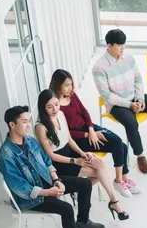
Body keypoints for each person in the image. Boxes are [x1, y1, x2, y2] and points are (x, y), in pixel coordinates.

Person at [0, 105, 98, 228]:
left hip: (47, 182)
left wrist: (56, 180)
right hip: (31, 197)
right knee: (66, 208)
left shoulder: (29, 140)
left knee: (85, 184)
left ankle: (82, 222)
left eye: (29, 121)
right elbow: (21, 189)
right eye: (24, 122)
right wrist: (49, 192)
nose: (29, 125)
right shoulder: (5, 156)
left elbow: (46, 161)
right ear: (12, 125)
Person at [35, 89, 129, 221]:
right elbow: (50, 155)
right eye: (50, 107)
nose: (55, 109)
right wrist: (75, 161)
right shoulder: (40, 127)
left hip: (70, 153)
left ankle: (112, 201)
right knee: (97, 174)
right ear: (43, 107)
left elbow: (69, 139)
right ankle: (112, 202)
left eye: (56, 104)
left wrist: (82, 153)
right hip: (59, 163)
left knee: (100, 164)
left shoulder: (61, 114)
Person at [50, 69, 140, 197]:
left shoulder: (72, 95)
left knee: (122, 146)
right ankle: (118, 181)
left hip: (88, 129)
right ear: (57, 84)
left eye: (71, 84)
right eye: (66, 85)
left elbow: (85, 112)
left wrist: (91, 129)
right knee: (116, 143)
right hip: (78, 139)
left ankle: (124, 179)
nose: (70, 88)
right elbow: (65, 132)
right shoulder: (56, 105)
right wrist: (87, 135)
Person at [93, 29, 147, 174]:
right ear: (109, 46)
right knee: (131, 123)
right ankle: (140, 156)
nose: (123, 48)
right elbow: (107, 96)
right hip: (117, 104)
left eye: (124, 45)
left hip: (134, 97)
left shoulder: (129, 58)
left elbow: (138, 79)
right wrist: (129, 105)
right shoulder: (99, 68)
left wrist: (140, 98)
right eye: (119, 45)